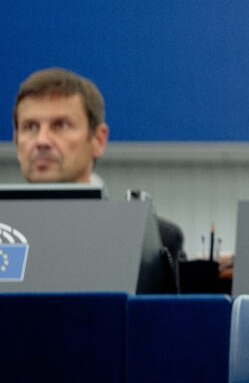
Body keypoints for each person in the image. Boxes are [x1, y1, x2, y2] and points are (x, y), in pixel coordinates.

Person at [12, 68, 186, 280]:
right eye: (30, 127)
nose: (41, 141)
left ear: (98, 140)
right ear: (16, 140)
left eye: (61, 125)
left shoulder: (151, 241)